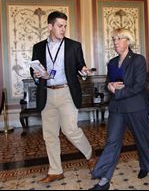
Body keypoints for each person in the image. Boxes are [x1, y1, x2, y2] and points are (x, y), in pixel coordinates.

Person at [30, 11, 96, 183]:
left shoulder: (74, 46)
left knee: (70, 130)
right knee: (49, 134)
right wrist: (37, 74)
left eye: (65, 26)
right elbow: (33, 70)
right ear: (50, 26)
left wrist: (83, 72)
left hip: (67, 92)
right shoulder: (38, 47)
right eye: (60, 26)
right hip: (47, 93)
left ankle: (90, 155)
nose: (63, 29)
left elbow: (80, 66)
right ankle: (55, 170)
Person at [89, 28, 149, 190]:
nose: (116, 42)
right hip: (117, 108)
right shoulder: (112, 62)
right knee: (112, 141)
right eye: (114, 39)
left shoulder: (138, 60)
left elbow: (138, 86)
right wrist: (110, 86)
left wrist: (117, 90)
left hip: (135, 107)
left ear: (128, 41)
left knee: (142, 139)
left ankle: (146, 166)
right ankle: (104, 179)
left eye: (119, 39)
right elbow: (108, 84)